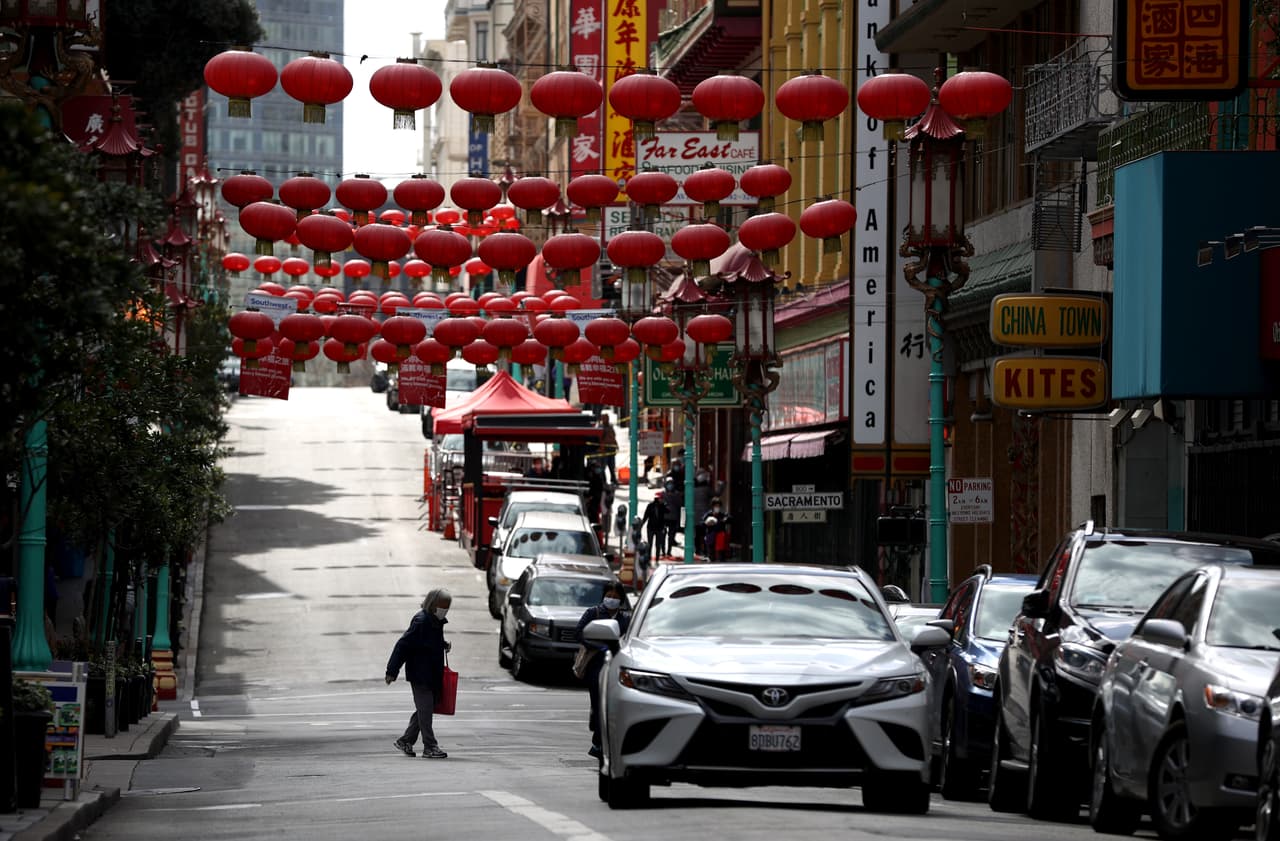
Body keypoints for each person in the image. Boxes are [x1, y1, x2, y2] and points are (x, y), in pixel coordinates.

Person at [385, 588, 453, 759]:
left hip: (431, 673)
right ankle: (430, 746)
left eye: (447, 607)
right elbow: (403, 646)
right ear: (433, 604)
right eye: (442, 606)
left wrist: (442, 644)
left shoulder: (435, 621)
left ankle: (405, 740)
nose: (444, 610)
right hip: (420, 674)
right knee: (426, 709)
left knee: (426, 709)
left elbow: (428, 642)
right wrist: (392, 671)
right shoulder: (421, 621)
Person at [575, 582, 630, 758]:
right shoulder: (594, 613)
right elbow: (579, 633)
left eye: (615, 597)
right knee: (599, 704)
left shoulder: (626, 619)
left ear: (621, 600)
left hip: (618, 667)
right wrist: (598, 647)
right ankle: (598, 743)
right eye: (609, 596)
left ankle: (604, 741)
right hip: (596, 666)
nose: (611, 600)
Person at [703, 497, 731, 561]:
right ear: (712, 506)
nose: (717, 507)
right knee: (711, 554)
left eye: (718, 506)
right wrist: (708, 523)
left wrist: (725, 519)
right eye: (715, 506)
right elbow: (703, 523)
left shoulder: (722, 515)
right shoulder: (709, 514)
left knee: (721, 554)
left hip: (720, 537)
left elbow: (730, 519)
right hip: (711, 536)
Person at [642, 491, 665, 560]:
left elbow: (666, 516)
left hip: (659, 528)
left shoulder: (663, 506)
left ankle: (657, 558)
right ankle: (648, 557)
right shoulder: (650, 506)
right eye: (661, 498)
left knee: (658, 544)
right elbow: (646, 516)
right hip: (651, 528)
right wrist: (642, 524)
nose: (662, 500)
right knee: (650, 544)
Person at [599, 414, 618, 484]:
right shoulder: (600, 427)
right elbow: (600, 439)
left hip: (611, 449)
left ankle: (613, 479)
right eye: (604, 418)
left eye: (607, 418)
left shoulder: (610, 427)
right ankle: (603, 480)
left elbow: (613, 437)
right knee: (603, 466)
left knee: (612, 466)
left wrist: (616, 445)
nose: (606, 419)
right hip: (605, 450)